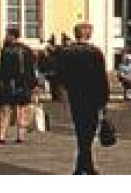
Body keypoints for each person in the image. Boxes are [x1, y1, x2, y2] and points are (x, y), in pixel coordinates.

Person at [52, 22, 110, 175]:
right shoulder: (95, 52)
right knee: (89, 130)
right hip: (92, 95)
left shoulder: (67, 52)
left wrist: (67, 88)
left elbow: (61, 74)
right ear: (87, 34)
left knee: (80, 128)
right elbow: (101, 77)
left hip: (76, 95)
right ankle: (84, 165)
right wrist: (104, 98)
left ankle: (83, 166)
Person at [0, 29, 37, 145]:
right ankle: (20, 135)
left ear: (12, 36)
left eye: (7, 35)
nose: (5, 37)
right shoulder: (26, 50)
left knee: (5, 110)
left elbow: (2, 70)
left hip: (7, 84)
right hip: (23, 84)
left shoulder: (6, 51)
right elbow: (31, 69)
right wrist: (33, 84)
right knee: (22, 109)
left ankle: (2, 135)